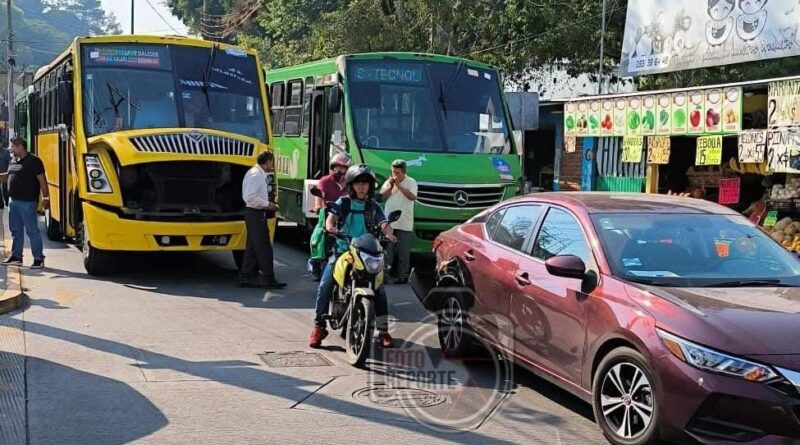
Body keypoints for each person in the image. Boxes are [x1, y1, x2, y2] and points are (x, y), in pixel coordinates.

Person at [309, 164, 397, 349]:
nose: (362, 187)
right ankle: (318, 326)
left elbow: (383, 223)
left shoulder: (374, 206)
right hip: (344, 251)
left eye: (365, 183)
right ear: (351, 185)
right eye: (358, 183)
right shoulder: (343, 202)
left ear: (370, 186)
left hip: (367, 252)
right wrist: (330, 227)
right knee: (325, 285)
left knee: (379, 289)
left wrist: (389, 233)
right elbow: (331, 218)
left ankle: (383, 330)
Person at [238, 151, 286, 289]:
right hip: (255, 213)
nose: (273, 165)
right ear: (268, 161)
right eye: (272, 162)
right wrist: (268, 205)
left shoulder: (257, 173)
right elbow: (250, 197)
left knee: (252, 247)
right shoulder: (255, 175)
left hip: (255, 214)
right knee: (264, 247)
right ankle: (268, 278)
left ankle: (246, 276)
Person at [2, 138, 48, 268]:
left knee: (32, 231)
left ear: (21, 147)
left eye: (13, 147)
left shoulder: (34, 161)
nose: (11, 149)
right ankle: (16, 257)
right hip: (13, 202)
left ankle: (38, 259)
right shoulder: (13, 160)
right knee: (15, 231)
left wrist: (46, 197)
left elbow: (42, 181)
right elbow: (9, 175)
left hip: (27, 203)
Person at [308, 152, 353, 280]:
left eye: (342, 168)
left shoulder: (351, 183)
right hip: (327, 214)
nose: (338, 171)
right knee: (318, 238)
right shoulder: (325, 181)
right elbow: (319, 194)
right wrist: (318, 206)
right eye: (336, 167)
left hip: (345, 217)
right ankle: (314, 262)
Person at [380, 159, 417, 284]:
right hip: (389, 223)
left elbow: (412, 197)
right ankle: (384, 276)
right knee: (387, 252)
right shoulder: (388, 182)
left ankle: (403, 277)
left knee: (403, 253)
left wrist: (399, 185)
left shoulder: (411, 182)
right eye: (393, 172)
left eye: (397, 172)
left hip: (404, 223)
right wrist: (390, 186)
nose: (395, 175)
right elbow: (382, 197)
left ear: (403, 172)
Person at [0, 140, 10, 208]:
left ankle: (7, 202)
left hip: (4, 173)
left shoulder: (6, 151)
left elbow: (9, 162)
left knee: (5, 189)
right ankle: (1, 204)